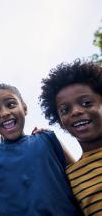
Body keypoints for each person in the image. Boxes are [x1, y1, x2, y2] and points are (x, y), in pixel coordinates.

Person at [0, 83, 82, 215]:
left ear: (24, 108)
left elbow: (78, 175)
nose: (5, 113)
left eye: (11, 104)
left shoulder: (47, 138)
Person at [39, 59, 102, 216]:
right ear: (60, 122)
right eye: (65, 110)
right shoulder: (69, 179)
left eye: (86, 103)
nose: (75, 112)